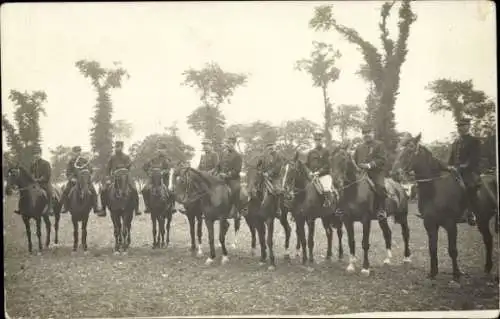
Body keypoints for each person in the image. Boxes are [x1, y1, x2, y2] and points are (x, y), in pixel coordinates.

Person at [448, 117, 481, 226]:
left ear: (468, 126)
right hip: (455, 171)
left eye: (462, 126)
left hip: (469, 171)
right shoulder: (455, 142)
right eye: (458, 126)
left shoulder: (474, 141)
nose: (460, 128)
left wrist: (462, 167)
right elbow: (451, 159)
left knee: (468, 186)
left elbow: (474, 158)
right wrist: (448, 167)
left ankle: (470, 213)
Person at [353, 125, 388, 220]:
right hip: (361, 173)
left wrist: (369, 165)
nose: (366, 135)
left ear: (373, 133)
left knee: (380, 186)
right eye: (364, 133)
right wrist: (356, 168)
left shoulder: (379, 145)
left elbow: (382, 159)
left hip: (376, 173)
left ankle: (381, 210)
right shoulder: (359, 147)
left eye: (368, 132)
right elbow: (354, 161)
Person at [60, 146, 102, 215]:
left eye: (79, 151)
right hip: (75, 181)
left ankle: (95, 207)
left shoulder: (84, 160)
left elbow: (91, 170)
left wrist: (88, 176)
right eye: (76, 151)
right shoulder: (71, 162)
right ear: (73, 152)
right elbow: (68, 172)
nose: (78, 153)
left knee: (93, 191)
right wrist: (72, 178)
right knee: (66, 191)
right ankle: (65, 207)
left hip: (85, 181)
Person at [14, 146, 53, 215]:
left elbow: (47, 175)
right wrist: (32, 179)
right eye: (35, 154)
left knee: (49, 192)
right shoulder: (33, 165)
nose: (36, 155)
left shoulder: (46, 163)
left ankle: (50, 209)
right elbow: (31, 174)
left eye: (38, 153)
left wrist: (39, 179)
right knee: (25, 192)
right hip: (35, 184)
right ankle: (21, 208)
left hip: (45, 183)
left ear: (40, 154)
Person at [106, 141, 141, 216]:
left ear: (122, 147)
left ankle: (136, 209)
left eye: (119, 147)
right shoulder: (112, 158)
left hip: (126, 177)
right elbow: (108, 169)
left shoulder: (126, 157)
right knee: (104, 190)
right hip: (114, 178)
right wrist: (108, 178)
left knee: (134, 189)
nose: (117, 148)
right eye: (116, 147)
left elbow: (129, 167)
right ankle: (103, 208)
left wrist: (126, 168)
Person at [306, 131, 334, 208]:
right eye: (316, 140)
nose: (318, 142)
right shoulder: (310, 152)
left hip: (323, 175)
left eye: (319, 140)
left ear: (322, 140)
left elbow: (327, 165)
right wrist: (309, 172)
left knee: (326, 188)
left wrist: (319, 172)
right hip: (312, 176)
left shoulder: (326, 151)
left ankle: (329, 204)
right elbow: (307, 164)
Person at [217, 136, 243, 218]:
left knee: (236, 189)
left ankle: (236, 210)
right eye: (227, 143)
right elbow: (218, 166)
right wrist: (217, 172)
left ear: (234, 144)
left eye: (230, 143)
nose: (228, 145)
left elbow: (237, 170)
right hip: (221, 177)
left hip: (233, 179)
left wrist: (227, 175)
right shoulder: (223, 154)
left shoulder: (238, 155)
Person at [142, 142, 172, 214]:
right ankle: (147, 206)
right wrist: (149, 173)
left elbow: (168, 169)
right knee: (144, 190)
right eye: (158, 149)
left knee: (170, 191)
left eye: (162, 149)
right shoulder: (153, 159)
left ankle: (171, 206)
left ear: (165, 150)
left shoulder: (167, 160)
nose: (160, 151)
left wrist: (162, 172)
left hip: (163, 180)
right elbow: (144, 167)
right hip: (152, 180)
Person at [257, 142, 285, 216]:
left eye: (271, 148)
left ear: (274, 148)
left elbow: (277, 167)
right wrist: (259, 170)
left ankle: (278, 209)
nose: (270, 150)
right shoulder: (264, 157)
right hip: (264, 177)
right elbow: (259, 165)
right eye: (269, 148)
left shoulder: (279, 156)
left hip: (275, 178)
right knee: (255, 188)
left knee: (277, 191)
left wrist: (269, 173)